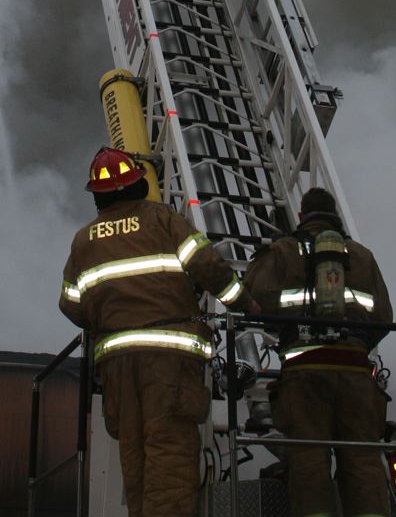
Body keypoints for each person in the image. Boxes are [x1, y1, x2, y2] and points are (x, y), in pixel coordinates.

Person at [59, 146, 257, 517]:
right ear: (138, 184)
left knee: (136, 468)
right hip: (169, 362)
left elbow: (70, 303)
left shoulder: (83, 241)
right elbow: (207, 266)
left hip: (116, 367)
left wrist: (108, 322)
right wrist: (245, 303)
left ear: (98, 195)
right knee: (170, 465)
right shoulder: (163, 219)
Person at [246, 186, 393, 517]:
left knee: (309, 462)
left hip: (304, 371)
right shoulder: (361, 256)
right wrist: (355, 342)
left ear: (301, 216)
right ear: (335, 214)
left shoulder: (283, 251)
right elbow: (383, 316)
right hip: (356, 371)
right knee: (363, 462)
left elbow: (257, 300)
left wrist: (289, 332)